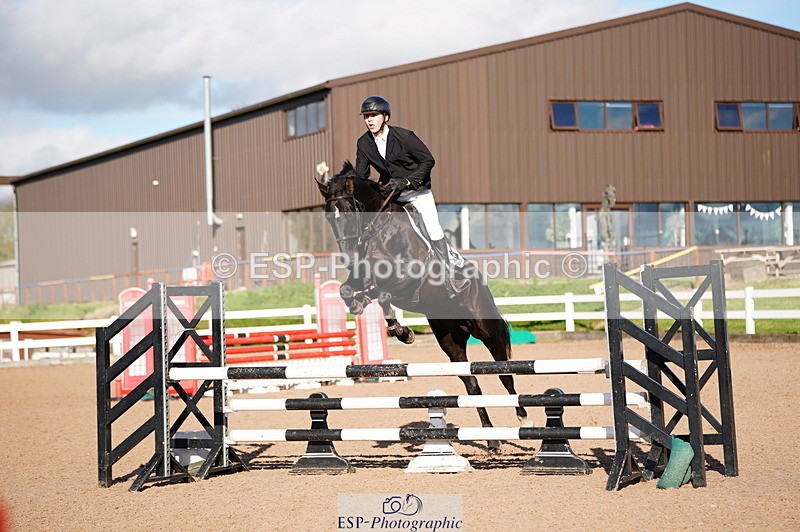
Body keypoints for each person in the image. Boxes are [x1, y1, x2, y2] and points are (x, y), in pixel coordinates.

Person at [354, 95, 466, 295]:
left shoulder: (405, 137)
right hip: (392, 195)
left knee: (432, 229)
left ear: (385, 117)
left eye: (373, 115)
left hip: (417, 192)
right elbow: (361, 177)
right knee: (371, 229)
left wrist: (407, 181)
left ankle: (450, 275)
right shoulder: (363, 143)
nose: (369, 120)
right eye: (366, 116)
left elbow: (428, 161)